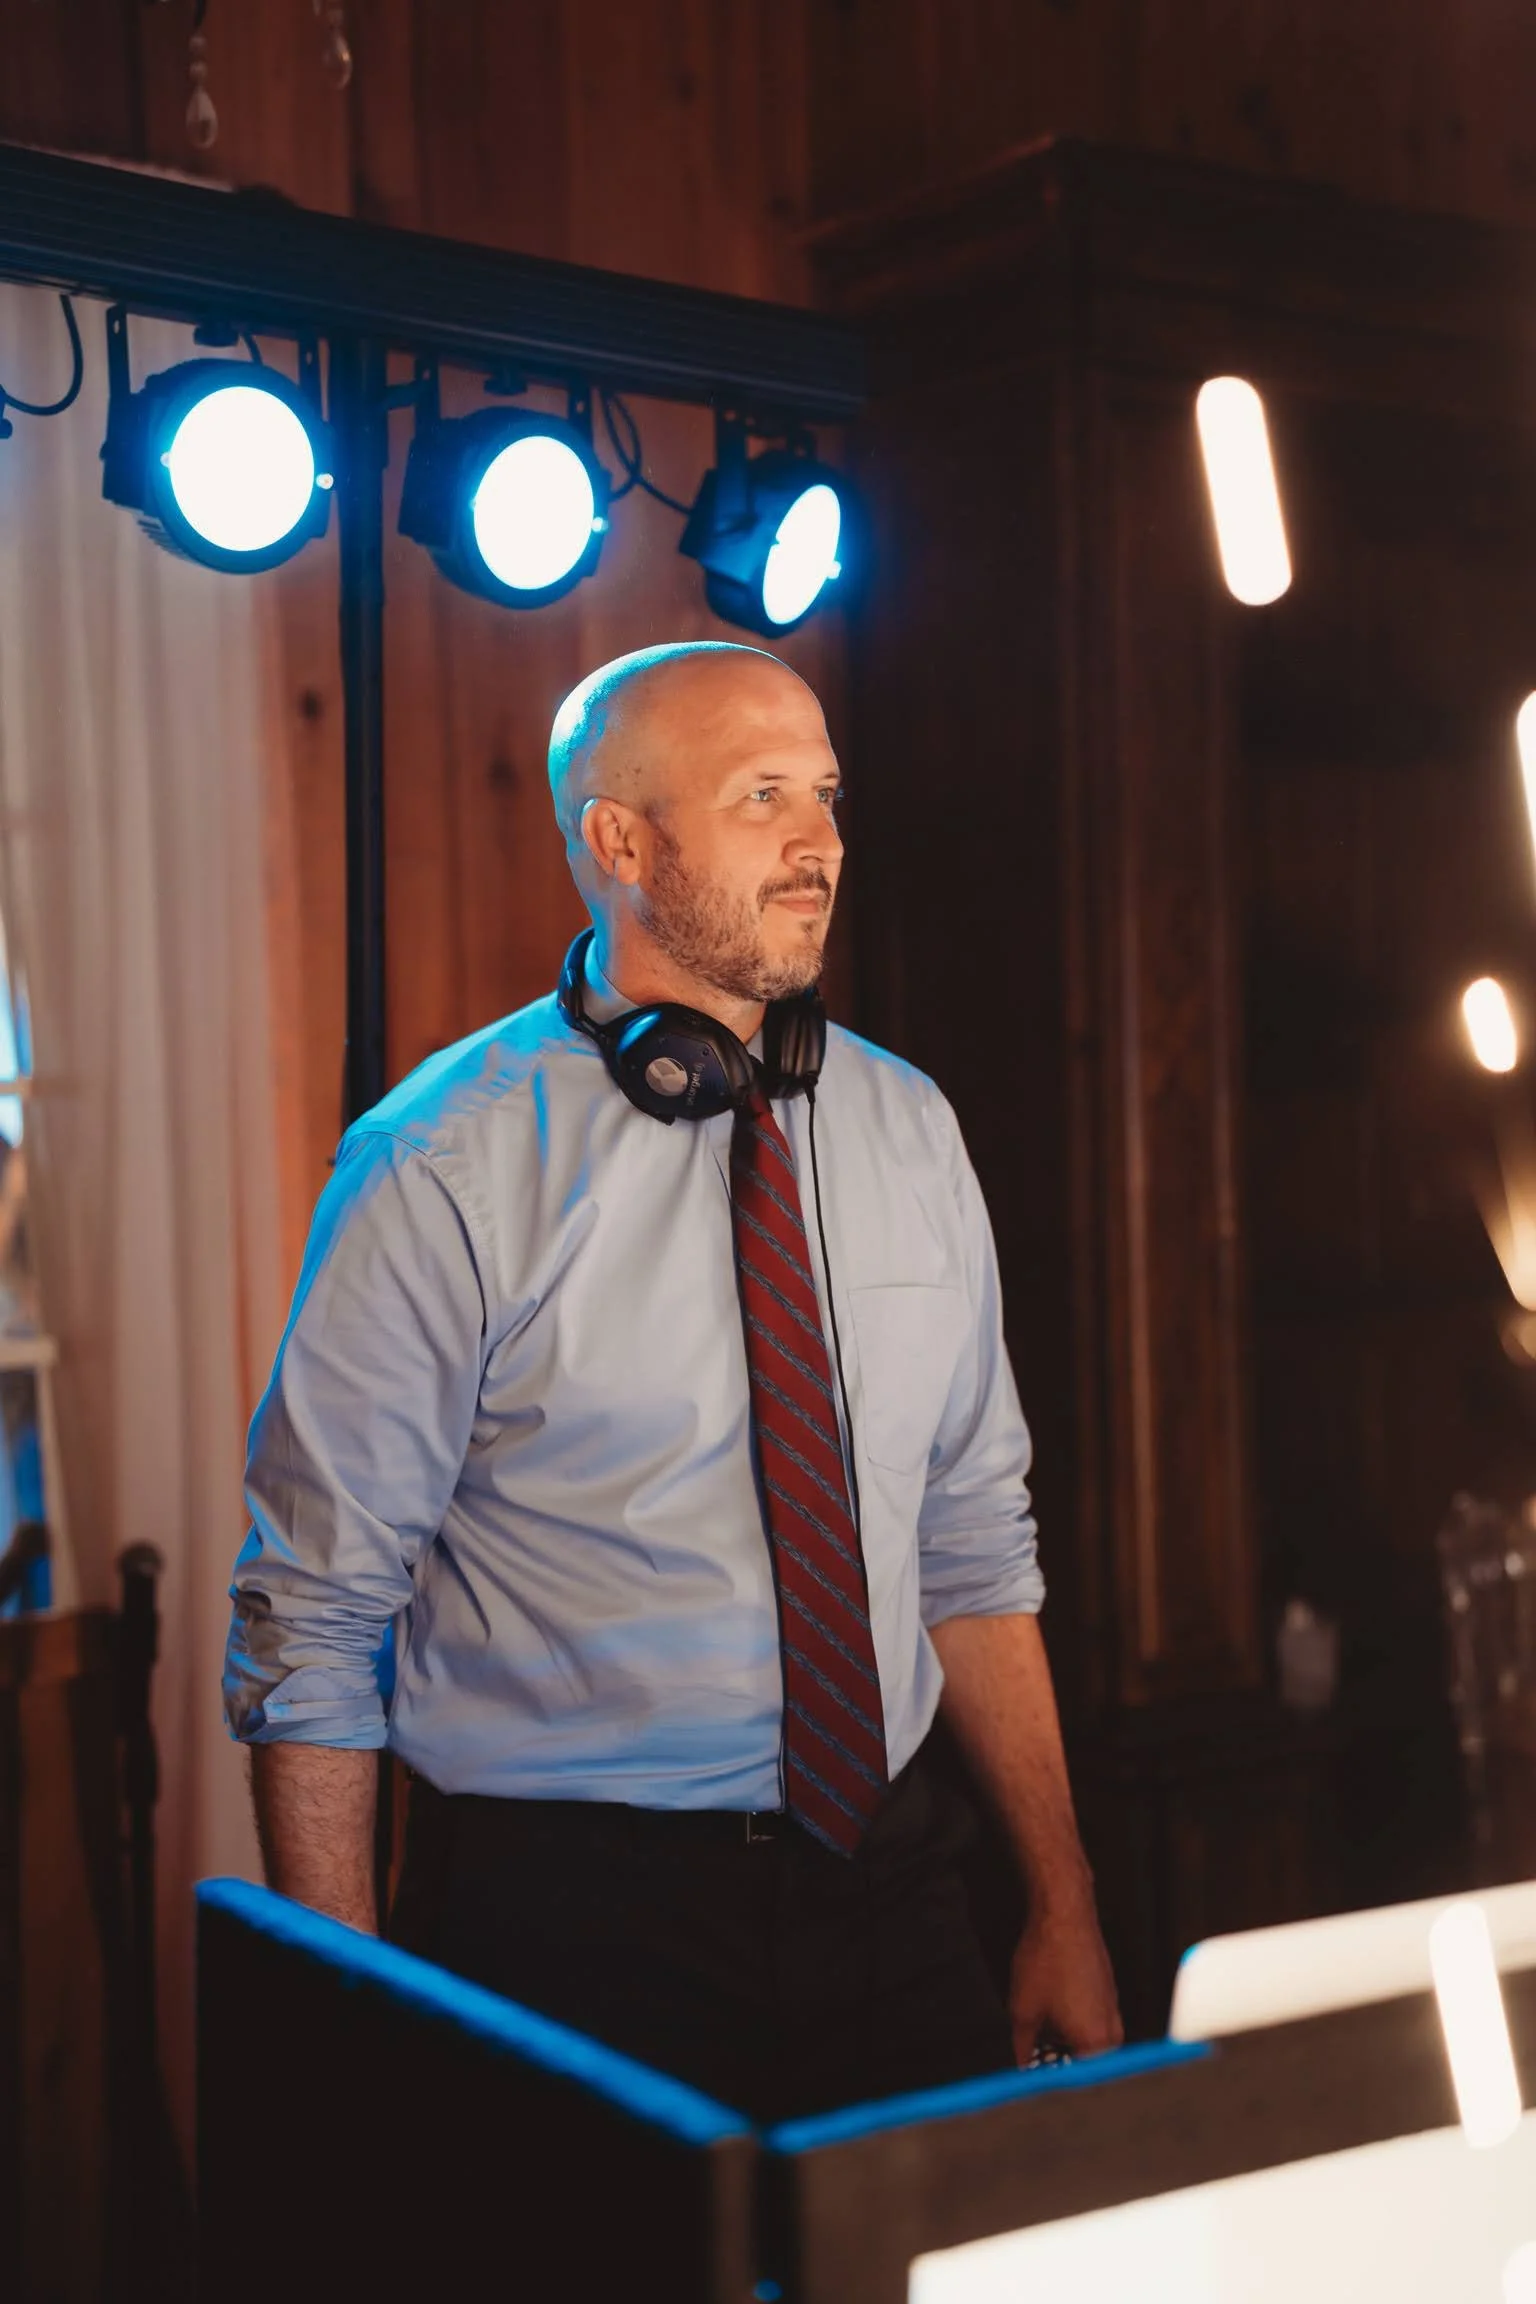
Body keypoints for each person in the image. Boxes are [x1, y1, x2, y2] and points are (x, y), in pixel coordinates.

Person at [224, 640, 1121, 2121]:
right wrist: (352, 2035)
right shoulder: (436, 1166)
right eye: (761, 795)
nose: (819, 841)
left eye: (826, 794)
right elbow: (315, 1615)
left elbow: (972, 1546)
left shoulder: (911, 1128)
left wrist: (1061, 1898)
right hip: (570, 1930)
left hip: (896, 1894)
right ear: (622, 842)